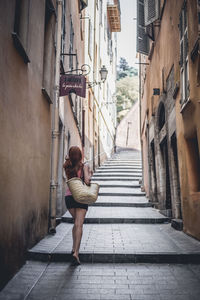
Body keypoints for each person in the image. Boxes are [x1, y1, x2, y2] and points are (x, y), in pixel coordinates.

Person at [63, 146, 93, 265]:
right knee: (79, 224)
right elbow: (86, 181)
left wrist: (67, 158)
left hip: (69, 198)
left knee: (76, 223)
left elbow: (67, 163)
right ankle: (76, 252)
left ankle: (72, 248)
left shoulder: (67, 166)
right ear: (80, 155)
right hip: (81, 197)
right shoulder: (84, 166)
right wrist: (90, 174)